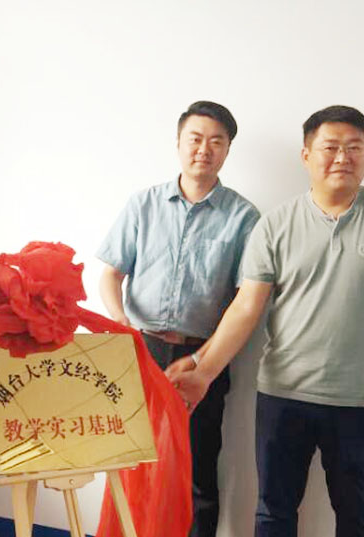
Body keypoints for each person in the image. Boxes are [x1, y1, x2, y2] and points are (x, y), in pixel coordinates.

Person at [169, 105, 364, 537]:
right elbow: (246, 308)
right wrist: (205, 371)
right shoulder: (275, 224)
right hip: (283, 396)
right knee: (274, 513)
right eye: (330, 147)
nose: (342, 157)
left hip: (359, 399)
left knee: (358, 515)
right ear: (306, 155)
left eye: (354, 148)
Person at [96, 101, 259, 537]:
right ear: (178, 143)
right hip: (141, 348)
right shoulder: (143, 204)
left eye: (216, 141)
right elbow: (110, 274)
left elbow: (245, 301)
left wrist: (206, 361)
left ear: (227, 150)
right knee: (130, 460)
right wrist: (121, 322)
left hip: (203, 357)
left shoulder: (244, 218)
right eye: (195, 139)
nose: (204, 149)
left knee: (196, 469)